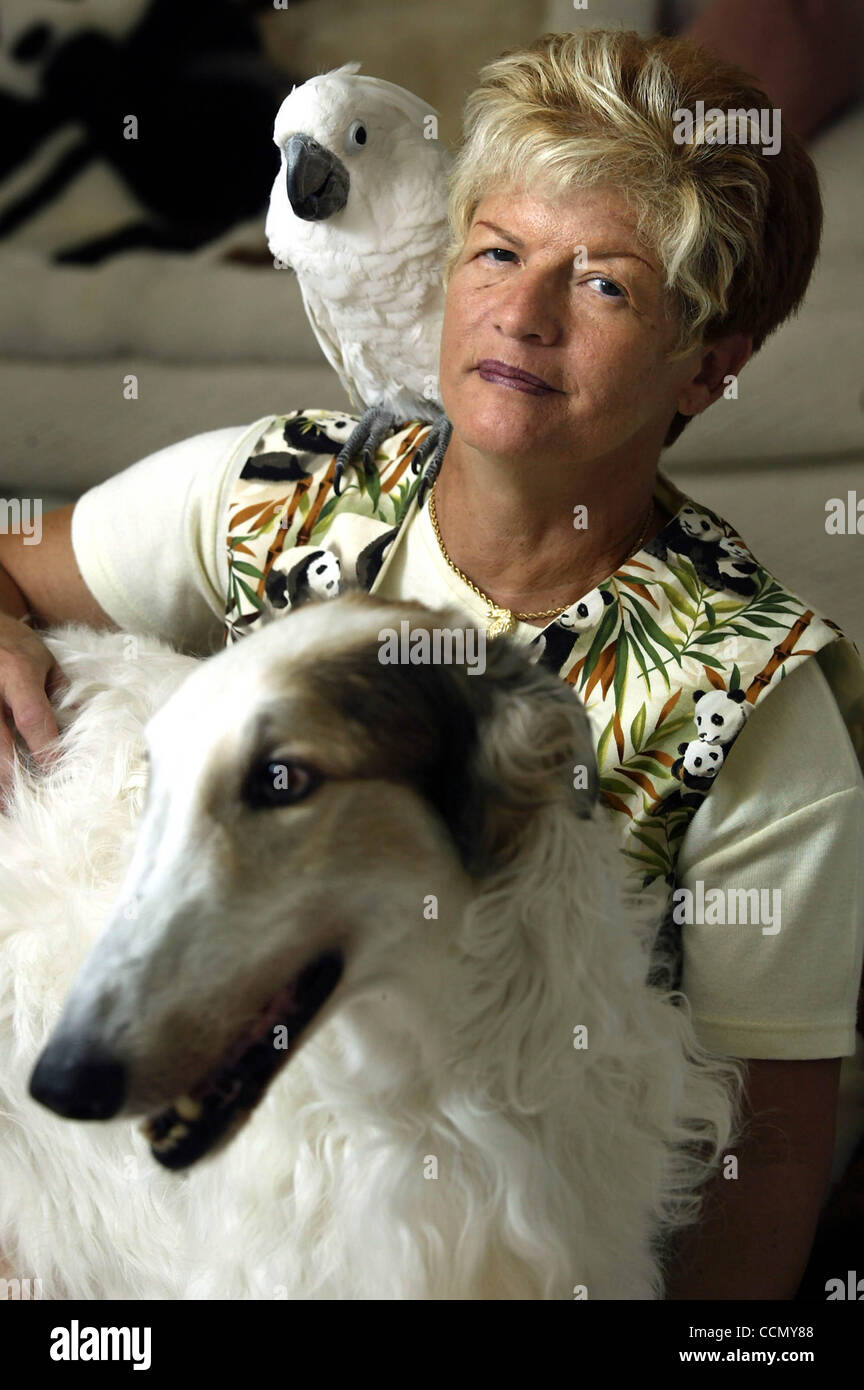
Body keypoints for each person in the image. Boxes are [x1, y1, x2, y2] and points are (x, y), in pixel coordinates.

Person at [1, 28, 863, 1299]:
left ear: (709, 364)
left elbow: (768, 1161)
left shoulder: (756, 706)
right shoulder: (275, 487)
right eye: (499, 252)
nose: (522, 313)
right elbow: (14, 554)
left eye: (605, 283)